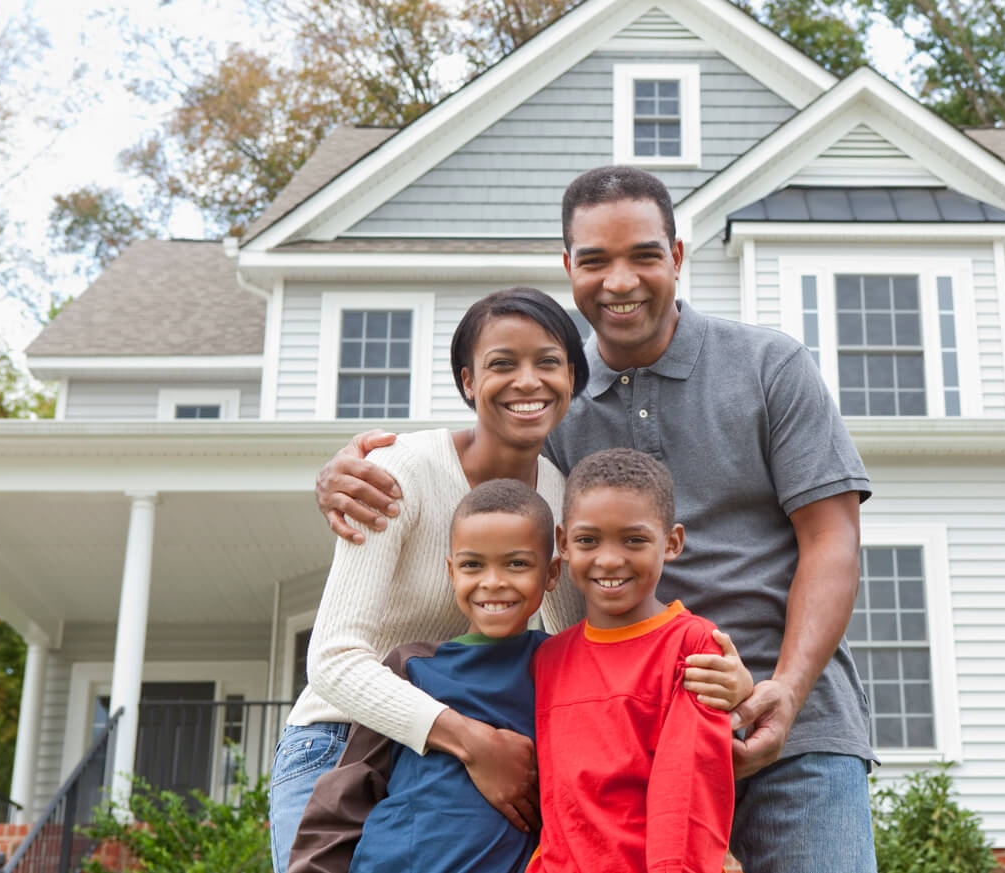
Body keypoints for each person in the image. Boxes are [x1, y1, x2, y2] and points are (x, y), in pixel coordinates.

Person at [316, 166, 877, 873]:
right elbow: (479, 466)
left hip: (792, 731)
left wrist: (786, 694)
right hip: (627, 750)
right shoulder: (554, 398)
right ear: (568, 269)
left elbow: (832, 540)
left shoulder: (770, 366)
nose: (620, 281)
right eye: (595, 261)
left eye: (644, 254)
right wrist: (349, 469)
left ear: (677, 256)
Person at [268, 287, 590, 873]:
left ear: (572, 376)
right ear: (468, 381)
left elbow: (576, 655)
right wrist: (471, 741)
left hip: (458, 763)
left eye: (547, 362)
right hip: (340, 743)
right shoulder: (400, 472)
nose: (528, 381)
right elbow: (335, 660)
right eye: (502, 364)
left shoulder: (562, 498)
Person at [289, 479, 559, 873]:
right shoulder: (411, 666)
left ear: (551, 573)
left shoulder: (562, 665)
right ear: (451, 572)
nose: (493, 581)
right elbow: (348, 791)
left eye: (517, 563)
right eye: (472, 565)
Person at [529, 448, 734, 873]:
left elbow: (687, 793)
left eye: (634, 540)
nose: (609, 559)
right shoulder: (548, 658)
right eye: (588, 540)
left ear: (672, 542)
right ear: (564, 544)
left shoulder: (692, 645)